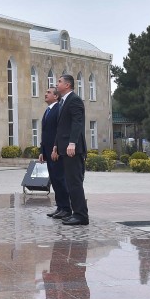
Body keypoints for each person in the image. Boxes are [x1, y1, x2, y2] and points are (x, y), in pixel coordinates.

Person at [52, 74, 88, 226]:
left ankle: (81, 216)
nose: (57, 84)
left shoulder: (74, 100)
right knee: (70, 182)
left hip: (73, 149)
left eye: (59, 81)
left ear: (67, 85)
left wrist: (72, 143)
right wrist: (56, 145)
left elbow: (77, 123)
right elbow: (61, 128)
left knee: (74, 183)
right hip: (65, 149)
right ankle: (76, 212)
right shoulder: (63, 102)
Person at [39, 87, 71, 218]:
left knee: (60, 179)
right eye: (46, 92)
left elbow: (59, 131)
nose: (45, 94)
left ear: (56, 96)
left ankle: (66, 208)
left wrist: (56, 148)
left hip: (56, 151)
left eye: (49, 92)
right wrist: (42, 151)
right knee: (54, 180)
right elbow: (45, 133)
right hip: (48, 151)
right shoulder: (48, 110)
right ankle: (60, 207)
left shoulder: (58, 109)